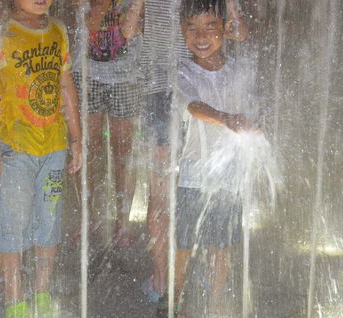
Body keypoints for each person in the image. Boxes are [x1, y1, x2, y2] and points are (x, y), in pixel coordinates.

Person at [121, 0, 246, 315]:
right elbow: (126, 30)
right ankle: (166, 281)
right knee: (162, 191)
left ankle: (201, 280)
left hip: (204, 88)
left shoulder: (209, 15)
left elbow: (239, 33)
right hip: (165, 91)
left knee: (203, 184)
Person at [0, 0, 82, 316]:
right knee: (13, 226)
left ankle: (43, 294)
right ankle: (15, 301)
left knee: (49, 223)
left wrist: (77, 139)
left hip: (53, 148)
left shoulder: (57, 30)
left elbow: (66, 86)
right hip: (14, 149)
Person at [174, 0, 256, 316]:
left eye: (210, 26)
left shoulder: (239, 71)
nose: (201, 35)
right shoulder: (183, 70)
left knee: (221, 246)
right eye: (192, 28)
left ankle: (216, 303)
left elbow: (251, 112)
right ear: (182, 32)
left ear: (224, 28)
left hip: (229, 175)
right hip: (193, 175)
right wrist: (227, 119)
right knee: (184, 244)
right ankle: (176, 298)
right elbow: (194, 106)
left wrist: (254, 128)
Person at [71, 0, 143, 248]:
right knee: (87, 149)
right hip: (87, 73)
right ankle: (87, 219)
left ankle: (123, 224)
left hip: (127, 76)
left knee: (124, 151)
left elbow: (131, 30)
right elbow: (87, 21)